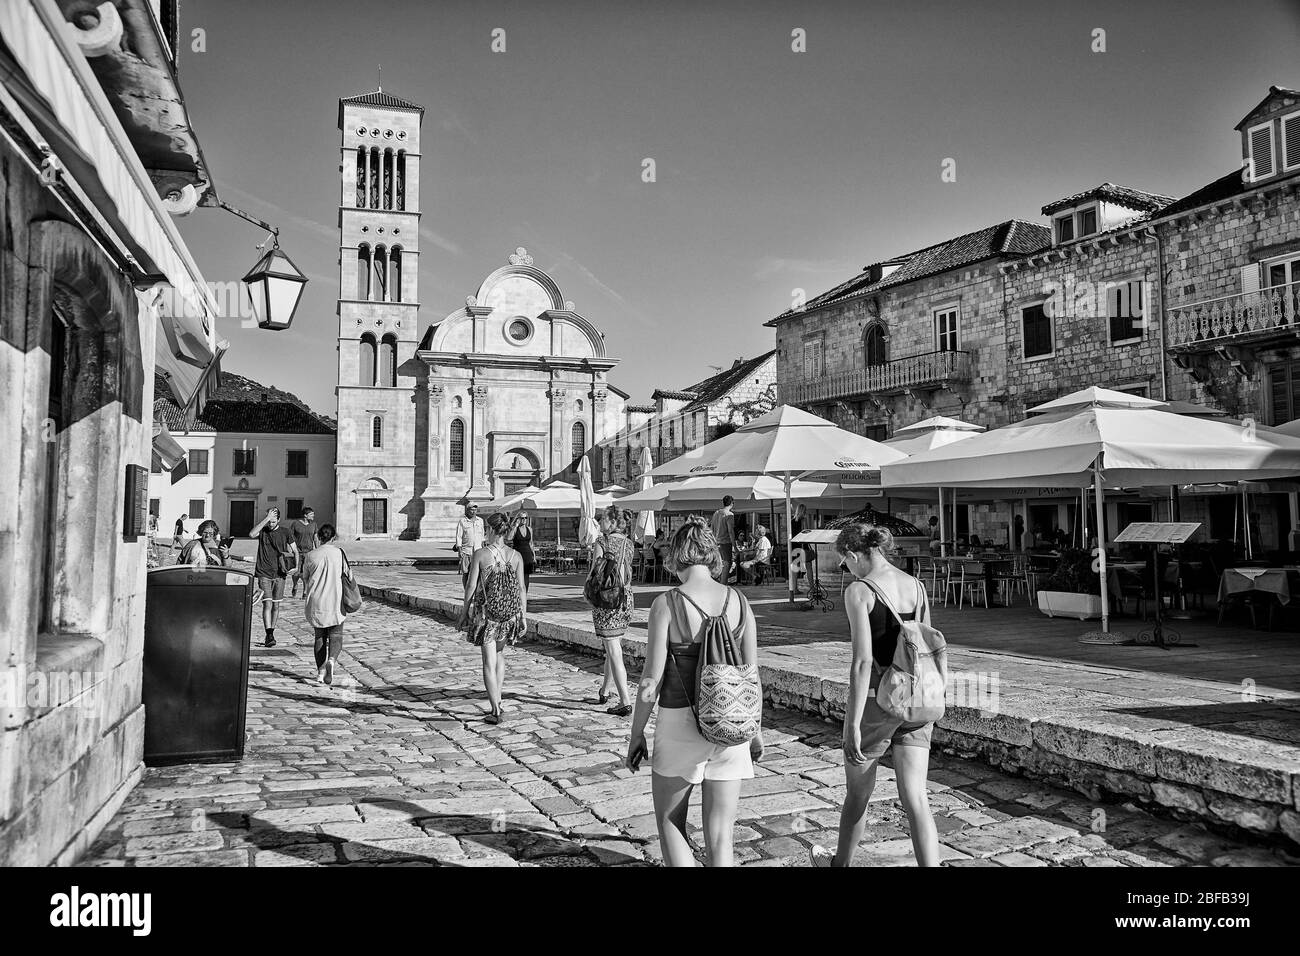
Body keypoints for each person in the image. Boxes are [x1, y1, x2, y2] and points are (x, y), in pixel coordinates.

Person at [625, 516, 763, 867]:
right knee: (721, 836)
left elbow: (650, 681)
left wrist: (637, 732)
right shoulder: (740, 602)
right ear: (711, 553)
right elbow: (751, 673)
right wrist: (755, 733)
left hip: (678, 721)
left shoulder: (667, 603)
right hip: (732, 722)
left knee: (671, 823)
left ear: (676, 555)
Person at [810, 524, 939, 868]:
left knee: (858, 796)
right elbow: (921, 648)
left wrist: (851, 724)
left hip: (875, 702)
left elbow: (863, 661)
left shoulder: (860, 591)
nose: (846, 570)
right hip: (915, 699)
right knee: (916, 798)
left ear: (854, 555)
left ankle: (840, 865)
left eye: (844, 563)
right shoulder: (916, 585)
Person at [459, 512, 526, 724]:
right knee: (499, 654)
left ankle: (495, 708)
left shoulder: (480, 554)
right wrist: (523, 616)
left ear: (490, 530)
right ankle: (499, 699)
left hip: (486, 614)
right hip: (509, 615)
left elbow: (471, 586)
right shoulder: (516, 556)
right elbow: (521, 588)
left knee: (488, 661)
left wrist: (464, 613)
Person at [588, 505, 636, 716]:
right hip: (625, 599)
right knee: (611, 644)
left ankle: (625, 700)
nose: (600, 522)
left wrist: (586, 593)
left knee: (614, 648)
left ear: (613, 522)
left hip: (606, 599)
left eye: (604, 519)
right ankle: (605, 690)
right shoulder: (629, 543)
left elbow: (593, 573)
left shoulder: (602, 542)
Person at [302, 524, 348, 686]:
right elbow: (348, 575)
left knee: (319, 637)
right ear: (333, 537)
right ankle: (332, 661)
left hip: (317, 600)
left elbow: (305, 577)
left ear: (319, 537)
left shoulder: (311, 555)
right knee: (336, 636)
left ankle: (320, 672)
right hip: (335, 599)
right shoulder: (339, 554)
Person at [249, 507, 298, 647]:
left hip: (280, 573)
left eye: (273, 521)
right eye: (269, 521)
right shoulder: (263, 531)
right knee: (267, 603)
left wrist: (296, 567)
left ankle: (272, 631)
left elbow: (295, 551)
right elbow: (252, 534)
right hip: (263, 572)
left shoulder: (285, 532)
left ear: (279, 520)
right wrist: (266, 519)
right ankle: (269, 634)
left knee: (276, 605)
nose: (271, 524)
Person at [288, 506, 319, 598]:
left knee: (307, 573)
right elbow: (290, 537)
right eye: (311, 514)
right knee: (296, 573)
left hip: (309, 552)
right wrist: (290, 549)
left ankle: (305, 592)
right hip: (297, 552)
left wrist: (318, 550)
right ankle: (295, 585)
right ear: (305, 515)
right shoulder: (295, 524)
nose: (313, 516)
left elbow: (315, 538)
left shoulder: (314, 525)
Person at [454, 503, 485, 587]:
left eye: (475, 509)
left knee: (478, 573)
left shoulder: (480, 521)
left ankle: (475, 591)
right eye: (471, 509)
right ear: (467, 510)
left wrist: (483, 549)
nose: (473, 511)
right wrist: (460, 551)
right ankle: (466, 590)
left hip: (478, 551)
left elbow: (482, 536)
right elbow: (459, 536)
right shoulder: (462, 521)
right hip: (466, 551)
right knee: (466, 573)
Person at [709, 495, 736, 583]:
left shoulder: (716, 513)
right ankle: (723, 584)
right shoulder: (729, 514)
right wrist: (734, 546)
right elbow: (730, 531)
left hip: (715, 542)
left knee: (718, 563)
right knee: (727, 563)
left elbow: (712, 528)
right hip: (725, 542)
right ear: (732, 503)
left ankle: (716, 582)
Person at [510, 512, 535, 592]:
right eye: (522, 518)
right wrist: (515, 526)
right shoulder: (515, 528)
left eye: (525, 518)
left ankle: (525, 594)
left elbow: (531, 543)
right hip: (517, 554)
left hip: (527, 554)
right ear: (518, 519)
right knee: (517, 575)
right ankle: (517, 594)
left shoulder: (529, 529)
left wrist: (534, 555)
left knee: (526, 576)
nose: (524, 520)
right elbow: (509, 538)